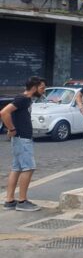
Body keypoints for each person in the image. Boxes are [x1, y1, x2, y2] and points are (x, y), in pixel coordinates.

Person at [1, 76, 46, 212]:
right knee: (28, 168)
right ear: (34, 87)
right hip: (22, 138)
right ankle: (22, 201)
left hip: (21, 138)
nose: (43, 91)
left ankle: (9, 200)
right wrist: (12, 129)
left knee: (17, 168)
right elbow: (4, 112)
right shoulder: (23, 99)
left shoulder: (26, 99)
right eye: (42, 88)